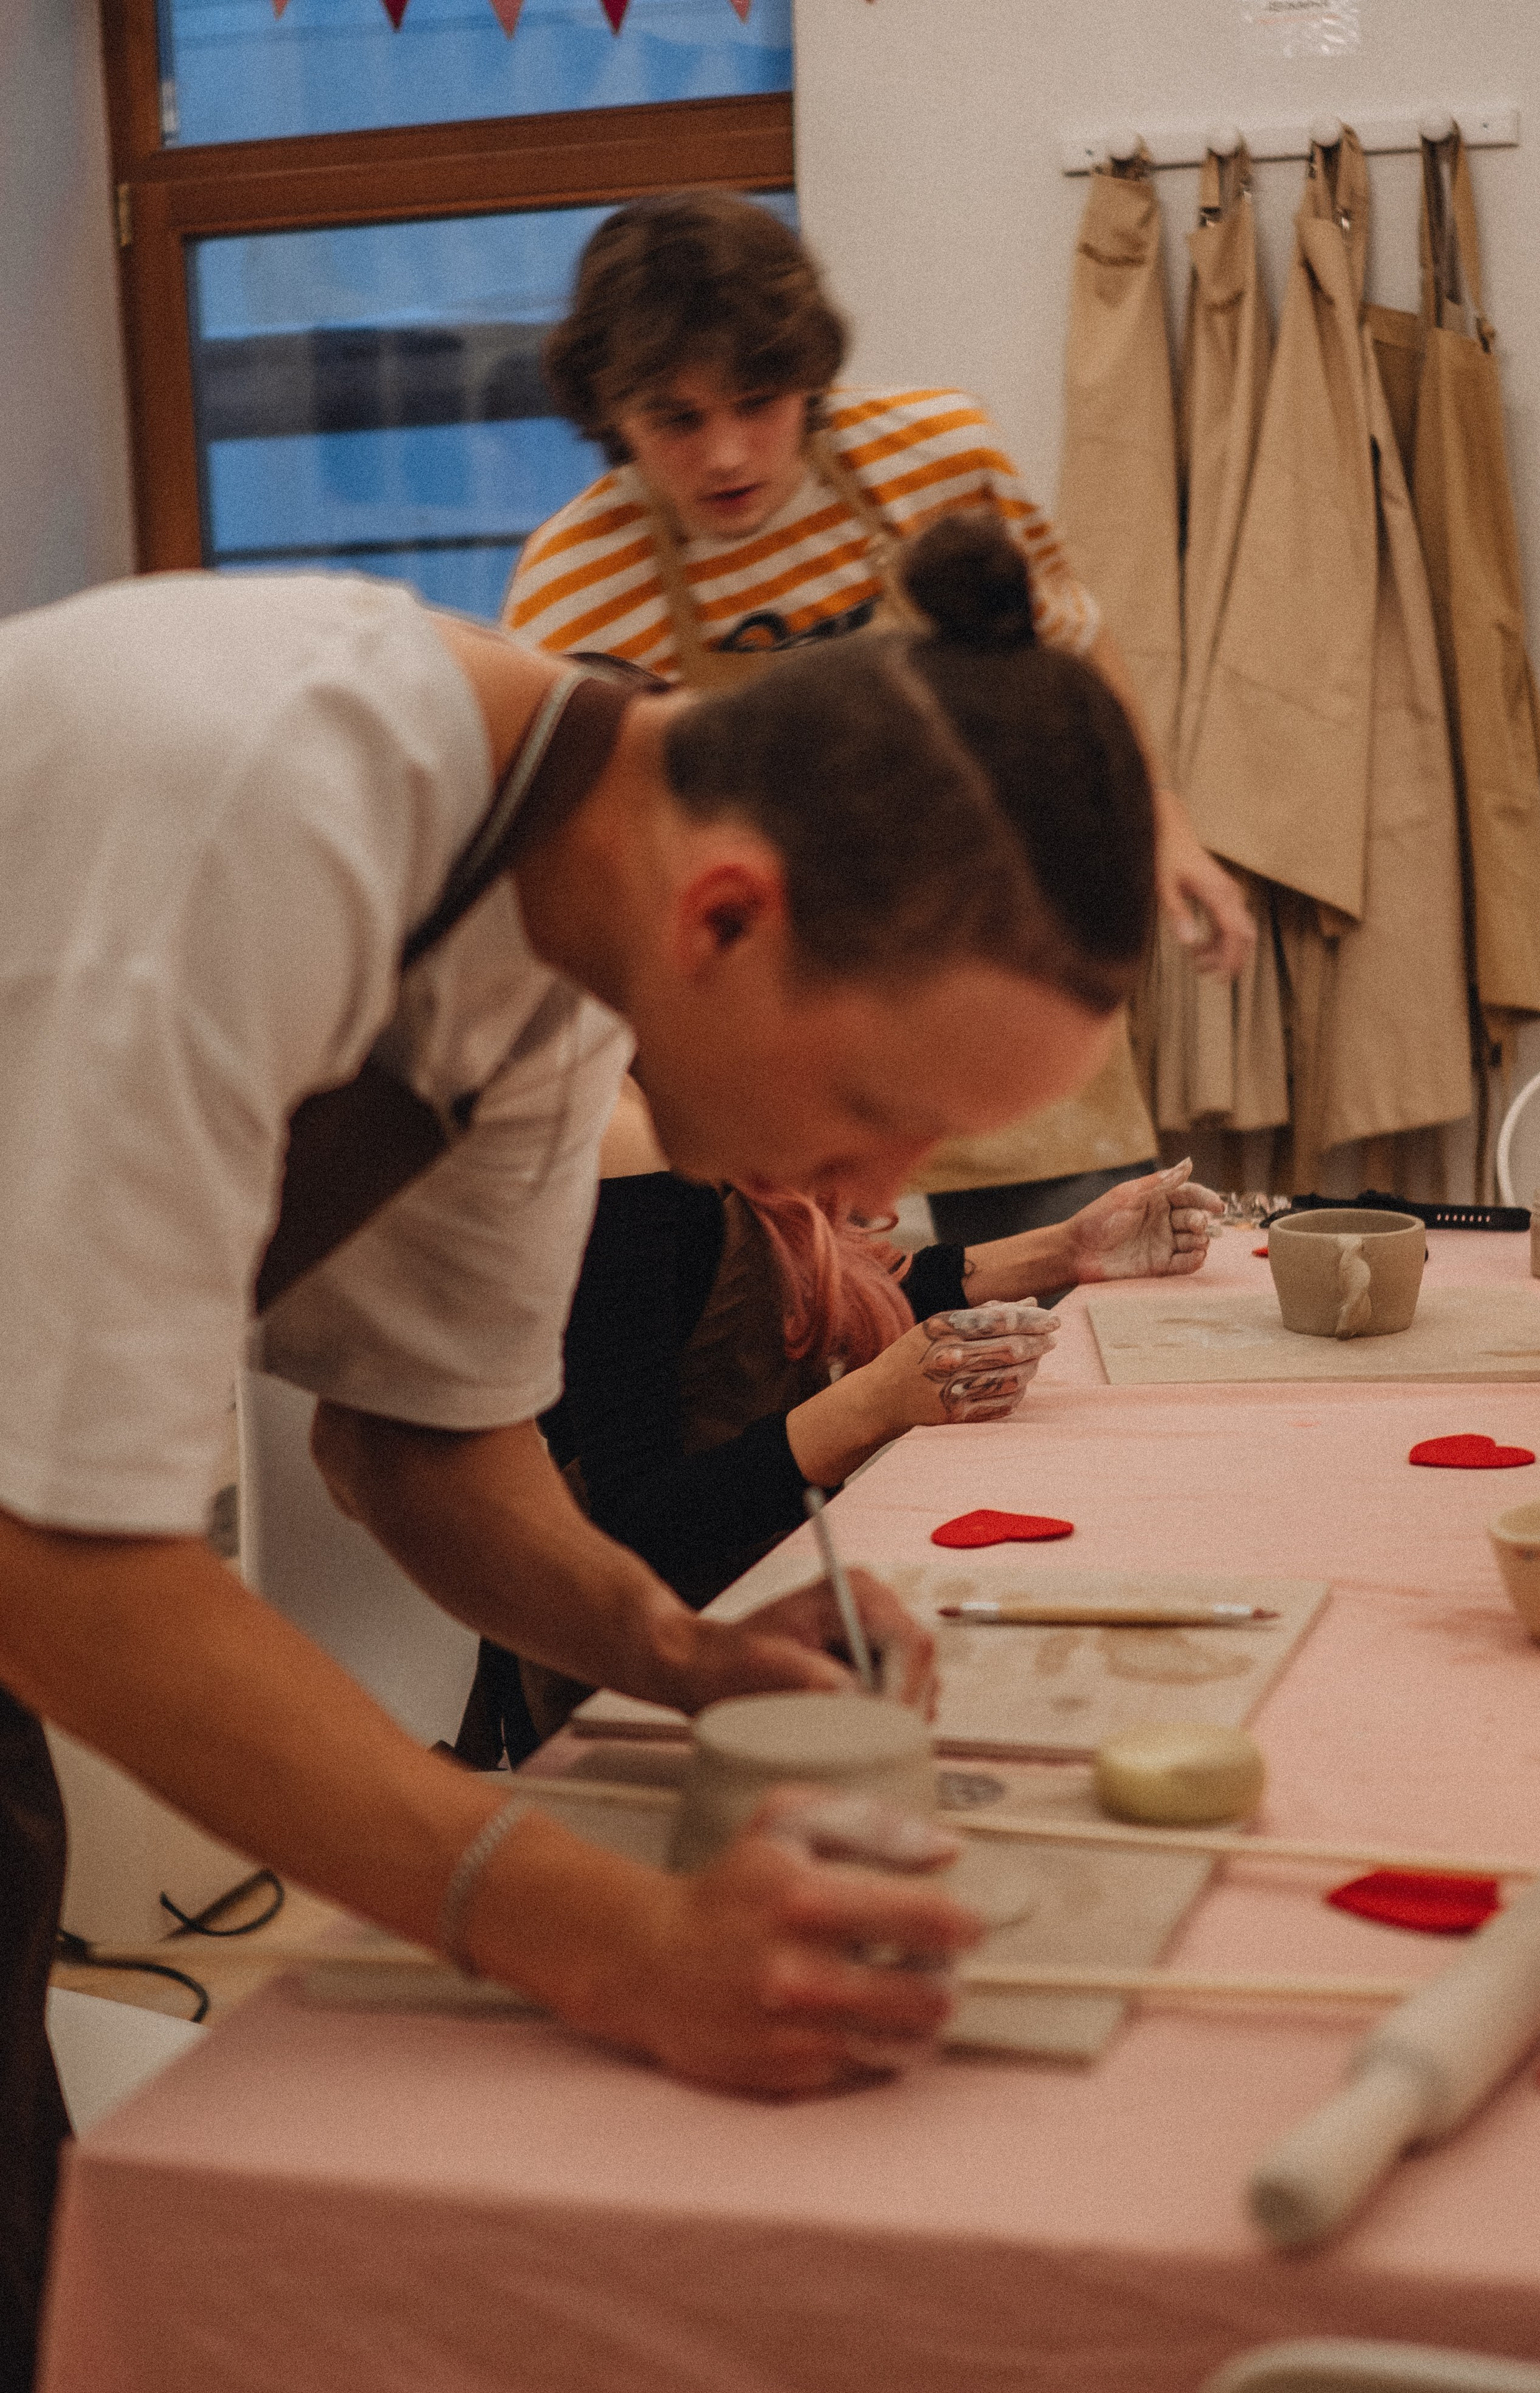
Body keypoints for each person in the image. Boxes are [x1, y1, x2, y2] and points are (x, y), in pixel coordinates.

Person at [0, 511, 1153, 2387]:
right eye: (874, 1114)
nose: (876, 1201)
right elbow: (54, 1568)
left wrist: (681, 1650)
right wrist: (612, 1937)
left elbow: (422, 1445)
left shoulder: (554, 943)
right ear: (729, 914)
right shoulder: (259, 801)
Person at [503, 188, 1255, 1244]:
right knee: (858, 1362)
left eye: (758, 401)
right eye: (675, 419)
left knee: (1089, 1313)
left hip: (1005, 985)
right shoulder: (576, 583)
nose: (725, 455)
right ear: (608, 412)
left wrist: (1163, 821)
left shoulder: (937, 454)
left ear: (810, 379)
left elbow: (1072, 647)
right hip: (797, 1053)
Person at [462, 1080, 1222, 1765]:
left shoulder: (716, 1110)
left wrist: (1068, 1248)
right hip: (642, 1654)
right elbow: (636, 1518)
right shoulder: (629, 1149)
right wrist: (872, 1403)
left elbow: (837, 1295)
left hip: (760, 1589)